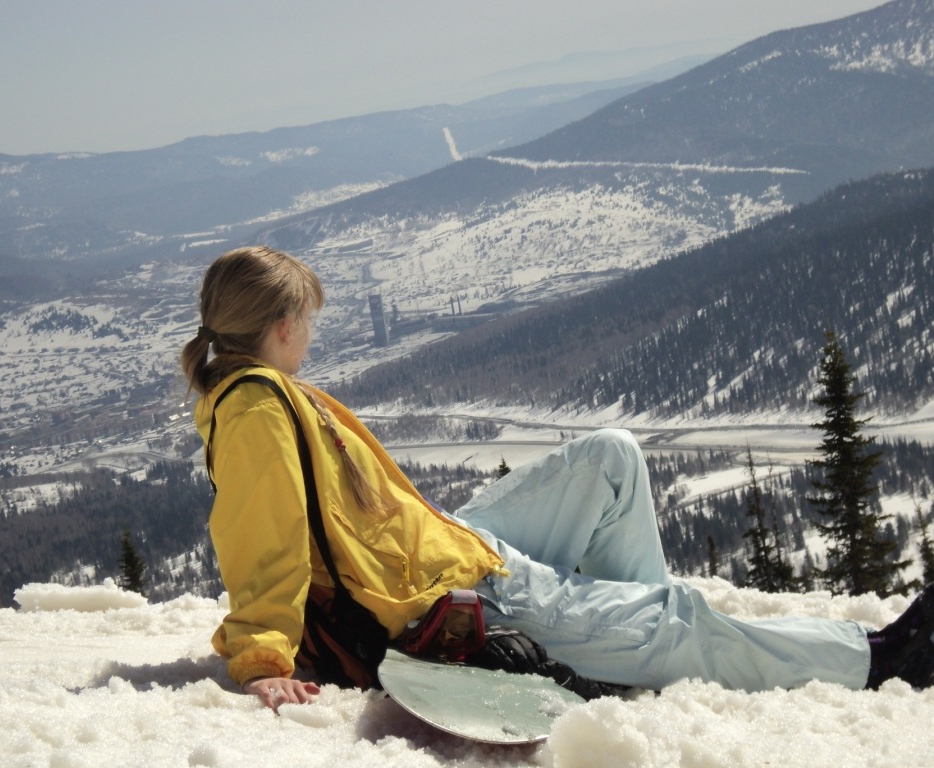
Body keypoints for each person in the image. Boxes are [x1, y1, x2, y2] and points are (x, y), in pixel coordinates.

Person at [181, 245, 934, 711]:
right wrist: (262, 659)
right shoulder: (256, 410)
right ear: (283, 326)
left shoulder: (262, 394)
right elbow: (265, 540)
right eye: (308, 320)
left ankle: (626, 645)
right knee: (679, 618)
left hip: (450, 547)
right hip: (443, 597)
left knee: (611, 456)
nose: (311, 333)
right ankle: (871, 657)